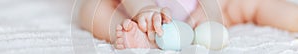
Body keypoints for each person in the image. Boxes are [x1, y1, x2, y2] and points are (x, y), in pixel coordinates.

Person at [79, 0, 298, 50]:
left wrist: (212, 8)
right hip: (144, 8)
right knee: (92, 7)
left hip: (207, 10)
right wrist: (142, 8)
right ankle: (133, 29)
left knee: (255, 3)